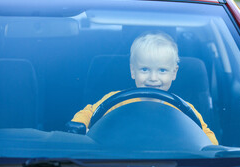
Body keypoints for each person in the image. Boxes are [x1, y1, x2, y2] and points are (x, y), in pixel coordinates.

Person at [69, 32, 218, 145]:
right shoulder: (114, 100)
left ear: (174, 73)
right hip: (116, 159)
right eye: (145, 69)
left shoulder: (183, 109)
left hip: (167, 163)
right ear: (133, 71)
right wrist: (81, 128)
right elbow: (89, 112)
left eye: (162, 70)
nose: (153, 78)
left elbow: (207, 139)